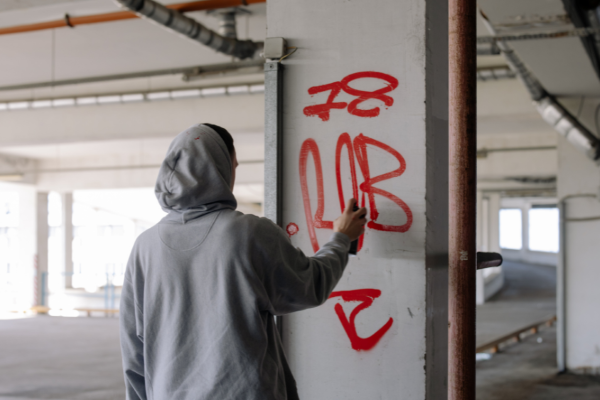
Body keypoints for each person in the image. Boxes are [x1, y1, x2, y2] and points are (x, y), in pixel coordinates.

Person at [120, 123, 367, 400]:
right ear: (219, 170)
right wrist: (342, 238)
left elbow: (133, 348)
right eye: (233, 166)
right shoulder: (251, 233)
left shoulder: (144, 246)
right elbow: (311, 285)